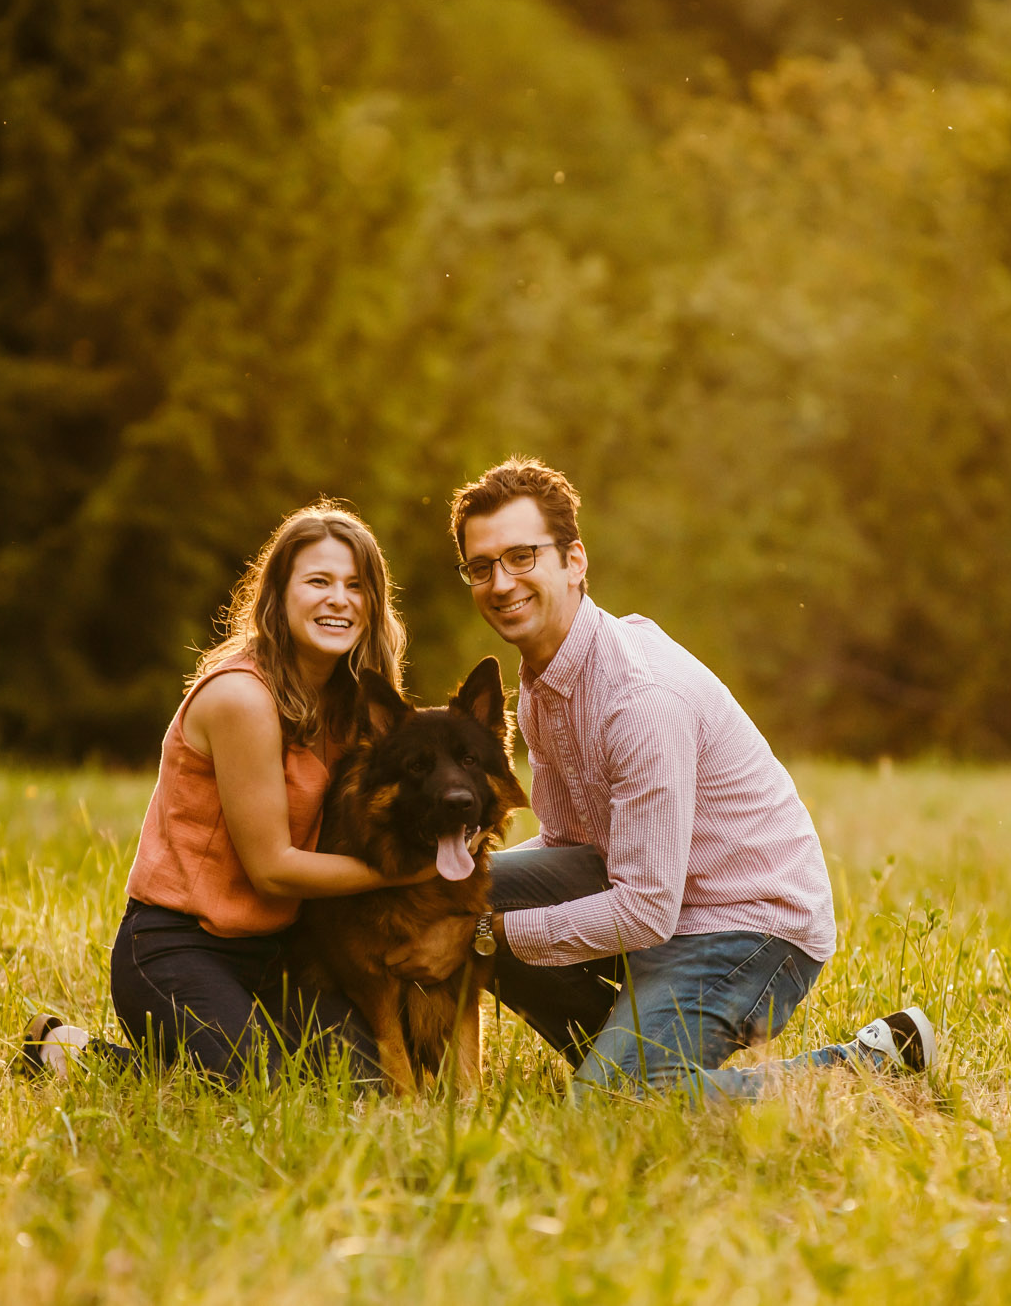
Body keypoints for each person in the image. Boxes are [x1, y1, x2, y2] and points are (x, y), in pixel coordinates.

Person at [389, 458, 937, 1101]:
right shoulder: (541, 685)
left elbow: (647, 909)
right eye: (481, 567)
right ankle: (643, 1063)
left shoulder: (640, 700)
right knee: (469, 893)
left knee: (608, 1108)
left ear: (575, 561)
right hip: (660, 895)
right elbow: (569, 844)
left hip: (747, 925)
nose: (501, 583)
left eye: (520, 556)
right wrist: (467, 905)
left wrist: (481, 932)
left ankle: (860, 1071)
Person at [20, 501, 440, 1086]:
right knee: (263, 1089)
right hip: (178, 948)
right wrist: (408, 874)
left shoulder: (352, 706)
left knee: (363, 1083)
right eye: (318, 581)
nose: (338, 599)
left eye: (355, 585)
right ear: (279, 595)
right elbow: (272, 871)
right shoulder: (243, 698)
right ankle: (69, 1051)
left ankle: (216, 1045)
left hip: (283, 953)